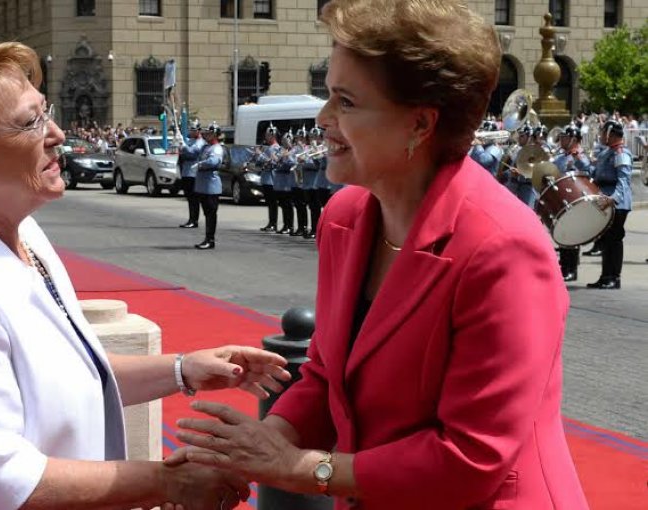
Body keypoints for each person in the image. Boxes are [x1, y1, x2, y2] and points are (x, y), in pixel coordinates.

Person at [0, 42, 292, 510]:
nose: (56, 132)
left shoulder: (21, 231)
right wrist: (168, 481)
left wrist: (183, 369)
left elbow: (67, 374)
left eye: (44, 111)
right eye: (30, 122)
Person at [168, 1, 588, 508]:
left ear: (420, 124)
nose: (323, 119)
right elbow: (326, 375)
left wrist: (300, 468)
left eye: (345, 102)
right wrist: (254, 445)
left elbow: (470, 459)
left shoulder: (505, 249)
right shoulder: (345, 216)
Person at [586, 120, 632, 289]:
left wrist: (613, 198)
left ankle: (614, 277)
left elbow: (624, 180)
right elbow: (595, 174)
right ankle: (605, 276)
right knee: (605, 240)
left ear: (611, 133)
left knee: (614, 239)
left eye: (603, 132)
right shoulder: (607, 152)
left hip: (616, 203)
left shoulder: (621, 153)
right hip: (604, 199)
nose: (601, 135)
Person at [551, 123, 591, 282]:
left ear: (573, 139)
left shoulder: (580, 155)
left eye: (565, 138)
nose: (561, 140)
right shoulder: (560, 156)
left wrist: (577, 157)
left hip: (575, 196)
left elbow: (589, 170)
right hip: (561, 197)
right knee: (562, 231)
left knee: (573, 234)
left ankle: (571, 269)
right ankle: (564, 265)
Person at [192, 122, 224, 250]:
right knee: (207, 213)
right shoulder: (206, 147)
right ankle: (207, 238)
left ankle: (210, 239)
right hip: (203, 185)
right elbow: (194, 152)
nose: (207, 135)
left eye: (209, 133)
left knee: (211, 214)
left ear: (214, 134)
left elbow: (214, 161)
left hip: (211, 185)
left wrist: (201, 164)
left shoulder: (216, 148)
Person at [178, 120, 205, 229]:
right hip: (186, 171)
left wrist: (183, 146)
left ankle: (194, 220)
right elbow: (183, 152)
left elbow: (193, 153)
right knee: (189, 197)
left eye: (194, 130)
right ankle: (191, 219)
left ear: (198, 131)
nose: (192, 132)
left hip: (193, 173)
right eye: (191, 130)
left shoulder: (200, 142)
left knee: (194, 198)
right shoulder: (190, 140)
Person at [254, 125, 282, 232]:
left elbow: (271, 163)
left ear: (272, 135)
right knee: (270, 203)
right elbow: (260, 163)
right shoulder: (269, 148)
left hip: (271, 179)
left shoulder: (275, 148)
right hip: (266, 178)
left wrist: (260, 154)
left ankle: (273, 223)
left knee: (272, 203)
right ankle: (271, 222)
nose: (265, 137)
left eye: (267, 135)